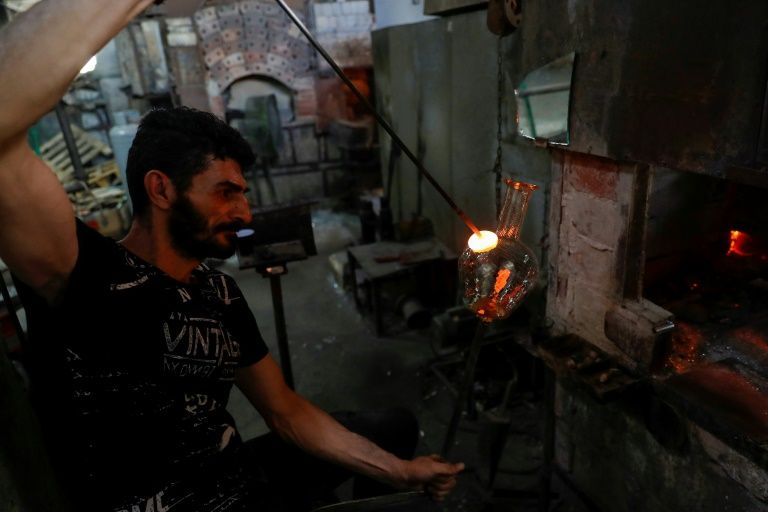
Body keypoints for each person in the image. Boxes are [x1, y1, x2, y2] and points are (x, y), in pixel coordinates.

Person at [0, 1, 464, 511]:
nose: (245, 212)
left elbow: (285, 410)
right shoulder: (80, 271)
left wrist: (399, 472)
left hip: (236, 478)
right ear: (161, 189)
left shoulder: (219, 293)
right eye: (225, 193)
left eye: (243, 194)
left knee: (395, 429)